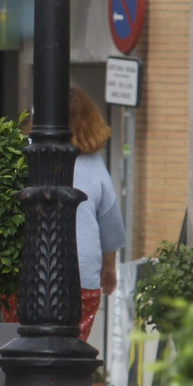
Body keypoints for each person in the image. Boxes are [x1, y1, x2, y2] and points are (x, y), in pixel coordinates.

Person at [70, 88, 126, 340]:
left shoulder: (28, 158)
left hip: (29, 279)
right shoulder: (95, 167)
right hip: (83, 278)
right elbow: (110, 224)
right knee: (74, 354)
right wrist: (109, 268)